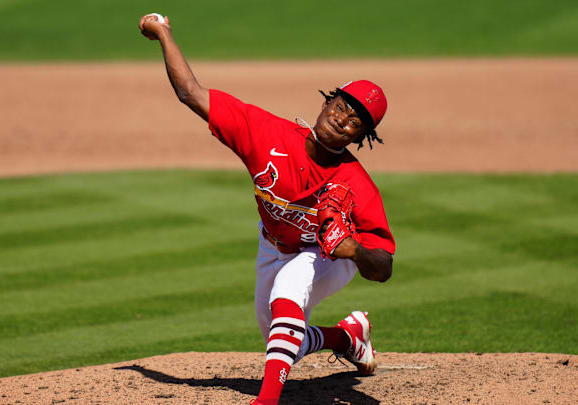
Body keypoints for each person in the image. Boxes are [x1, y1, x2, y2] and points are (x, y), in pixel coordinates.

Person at [139, 14, 395, 405]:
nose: (343, 120)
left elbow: (383, 267)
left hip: (328, 255)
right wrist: (163, 33)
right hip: (273, 246)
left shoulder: (358, 185)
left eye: (356, 122)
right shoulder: (266, 134)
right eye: (342, 106)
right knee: (282, 338)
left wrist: (355, 252)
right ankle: (348, 336)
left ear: (361, 137)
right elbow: (191, 92)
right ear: (328, 101)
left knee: (289, 289)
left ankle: (266, 401)